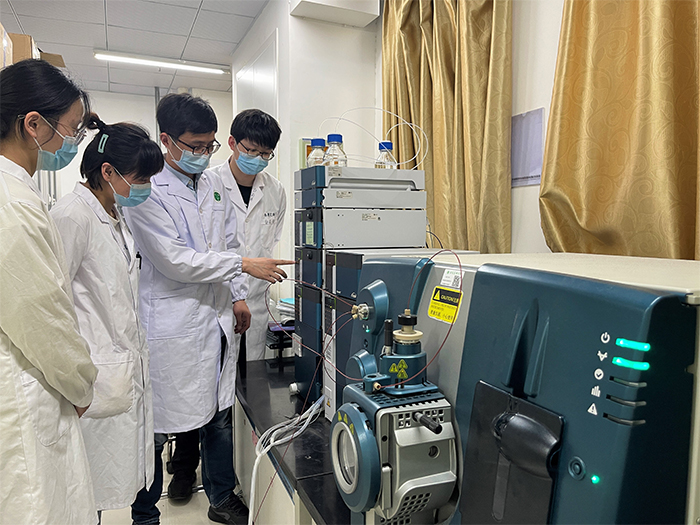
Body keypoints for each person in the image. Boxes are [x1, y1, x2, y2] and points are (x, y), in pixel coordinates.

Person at [124, 93, 293, 525]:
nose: (203, 154)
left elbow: (228, 243)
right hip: (173, 322)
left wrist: (237, 294)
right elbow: (174, 260)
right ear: (166, 140)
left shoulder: (212, 185)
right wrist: (243, 267)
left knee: (219, 414)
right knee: (158, 425)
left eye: (208, 146)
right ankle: (146, 512)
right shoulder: (147, 190)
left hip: (217, 317)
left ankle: (220, 497)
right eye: (195, 146)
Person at [0, 59, 98, 524]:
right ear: (33, 124)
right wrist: (80, 383)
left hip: (28, 376)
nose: (72, 142)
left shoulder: (17, 193)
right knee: (40, 504)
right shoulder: (12, 203)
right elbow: (41, 315)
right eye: (71, 129)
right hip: (25, 386)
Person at [50, 117, 164, 516]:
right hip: (93, 375)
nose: (146, 187)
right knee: (88, 493)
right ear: (108, 172)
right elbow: (54, 302)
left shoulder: (113, 213)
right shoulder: (71, 216)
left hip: (122, 369)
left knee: (124, 475)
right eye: (141, 178)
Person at [210, 109, 286, 362]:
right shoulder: (208, 183)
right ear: (232, 143)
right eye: (252, 151)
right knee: (217, 373)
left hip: (256, 300)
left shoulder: (275, 190)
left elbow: (270, 241)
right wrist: (235, 294)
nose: (258, 159)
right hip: (217, 301)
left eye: (265, 154)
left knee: (252, 375)